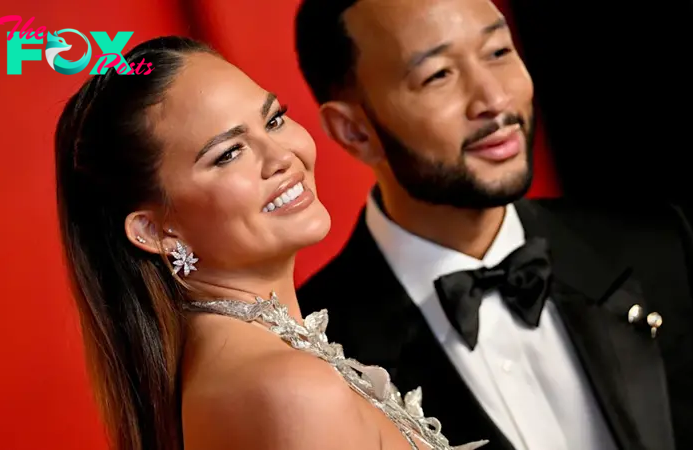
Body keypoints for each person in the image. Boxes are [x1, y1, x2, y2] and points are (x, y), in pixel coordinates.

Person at [293, 0, 693, 449]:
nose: (494, 99)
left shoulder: (655, 248)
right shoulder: (317, 354)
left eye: (498, 52)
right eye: (438, 76)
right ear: (354, 131)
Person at [54, 35, 486, 450]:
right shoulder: (288, 389)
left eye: (274, 119)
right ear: (155, 231)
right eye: (228, 153)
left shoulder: (247, 369)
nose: (282, 157)